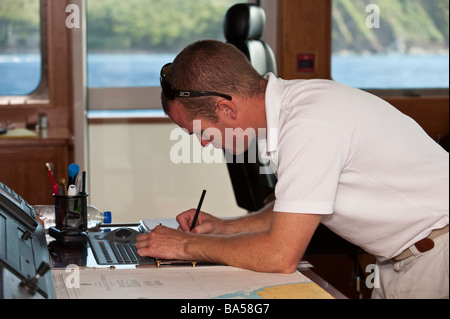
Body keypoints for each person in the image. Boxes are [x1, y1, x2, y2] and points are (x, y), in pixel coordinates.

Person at [136, 39, 449, 299]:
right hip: (407, 259)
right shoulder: (290, 112)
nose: (203, 144)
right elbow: (295, 209)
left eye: (200, 132)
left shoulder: (308, 124)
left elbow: (279, 255)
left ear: (226, 108)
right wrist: (223, 228)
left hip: (437, 258)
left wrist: (186, 245)